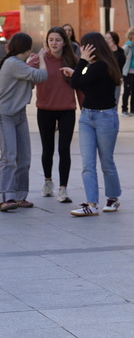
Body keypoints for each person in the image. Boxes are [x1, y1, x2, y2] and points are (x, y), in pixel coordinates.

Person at [67, 32, 124, 217]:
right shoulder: (97, 66)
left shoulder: (101, 66)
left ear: (92, 47)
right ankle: (91, 204)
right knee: (88, 163)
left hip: (104, 117)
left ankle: (113, 198)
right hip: (87, 117)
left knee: (106, 161)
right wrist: (78, 70)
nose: (82, 50)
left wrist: (81, 62)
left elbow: (76, 83)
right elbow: (87, 86)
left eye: (84, 46)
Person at [0, 33, 48, 212]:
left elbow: (30, 80)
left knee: (24, 158)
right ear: (27, 48)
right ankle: (6, 197)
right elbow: (42, 75)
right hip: (5, 115)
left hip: (19, 115)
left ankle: (20, 196)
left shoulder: (19, 64)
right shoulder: (13, 63)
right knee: (9, 157)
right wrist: (41, 58)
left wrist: (32, 62)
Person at [36, 26, 80, 204]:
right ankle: (48, 181)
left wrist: (85, 109)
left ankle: (63, 188)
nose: (54, 43)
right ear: (47, 41)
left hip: (66, 110)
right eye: (51, 40)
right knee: (47, 149)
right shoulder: (39, 58)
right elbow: (25, 75)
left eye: (58, 40)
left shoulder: (72, 60)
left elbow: (79, 85)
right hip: (45, 109)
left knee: (64, 149)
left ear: (64, 42)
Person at [105, 31, 125, 108]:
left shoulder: (120, 51)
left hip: (116, 78)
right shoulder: (104, 51)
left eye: (109, 38)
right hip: (106, 78)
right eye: (105, 38)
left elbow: (121, 64)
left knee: (115, 100)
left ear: (114, 39)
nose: (106, 40)